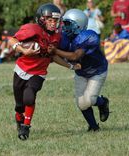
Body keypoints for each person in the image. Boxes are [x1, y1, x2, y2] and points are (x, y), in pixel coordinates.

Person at [8, 3, 80, 140]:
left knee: (29, 96)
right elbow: (12, 40)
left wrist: (70, 66)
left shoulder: (57, 36)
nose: (53, 24)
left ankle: (26, 126)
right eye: (50, 20)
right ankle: (19, 116)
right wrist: (23, 50)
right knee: (19, 105)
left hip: (39, 72)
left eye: (55, 21)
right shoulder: (32, 29)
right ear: (41, 20)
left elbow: (53, 56)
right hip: (21, 69)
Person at [53, 9, 110, 132]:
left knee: (90, 100)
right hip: (81, 72)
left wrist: (55, 51)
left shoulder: (88, 36)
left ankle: (102, 102)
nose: (64, 27)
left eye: (68, 24)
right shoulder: (63, 37)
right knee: (81, 103)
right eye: (64, 23)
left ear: (78, 25)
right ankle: (94, 127)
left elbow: (75, 56)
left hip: (97, 71)